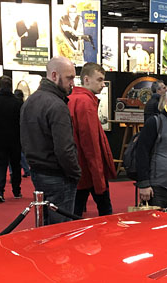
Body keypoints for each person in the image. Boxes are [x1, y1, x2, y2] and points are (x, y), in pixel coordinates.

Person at [20, 57, 81, 224]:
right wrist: (75, 172)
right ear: (54, 75)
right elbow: (64, 149)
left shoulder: (30, 101)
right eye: (69, 78)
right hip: (57, 175)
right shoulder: (57, 106)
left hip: (38, 171)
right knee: (59, 229)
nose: (72, 83)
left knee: (46, 224)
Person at [68, 62, 116, 217]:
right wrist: (98, 176)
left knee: (74, 212)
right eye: (99, 80)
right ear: (86, 79)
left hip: (77, 167)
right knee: (105, 211)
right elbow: (91, 144)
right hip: (88, 169)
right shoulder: (86, 102)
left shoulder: (73, 99)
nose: (103, 84)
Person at [0, 75, 23, 202]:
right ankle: (16, 190)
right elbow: (22, 123)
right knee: (16, 165)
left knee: (1, 165)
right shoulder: (18, 103)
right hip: (15, 139)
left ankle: (0, 191)